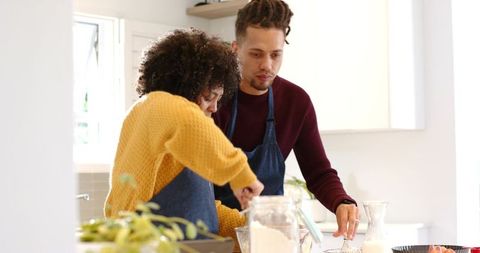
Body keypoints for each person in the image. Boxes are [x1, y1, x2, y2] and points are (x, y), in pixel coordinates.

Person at [213, 0, 359, 239]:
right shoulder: (214, 100)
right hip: (215, 236)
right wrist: (245, 228)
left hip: (268, 237)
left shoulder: (295, 102)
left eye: (275, 54)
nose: (267, 65)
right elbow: (196, 185)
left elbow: (318, 172)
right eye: (256, 54)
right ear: (235, 48)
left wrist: (341, 201)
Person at [104, 29, 263, 243]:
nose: (215, 108)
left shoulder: (176, 136)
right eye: (209, 97)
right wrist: (240, 174)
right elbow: (185, 117)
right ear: (186, 86)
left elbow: (202, 213)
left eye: (219, 99)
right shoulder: (155, 105)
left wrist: (255, 230)